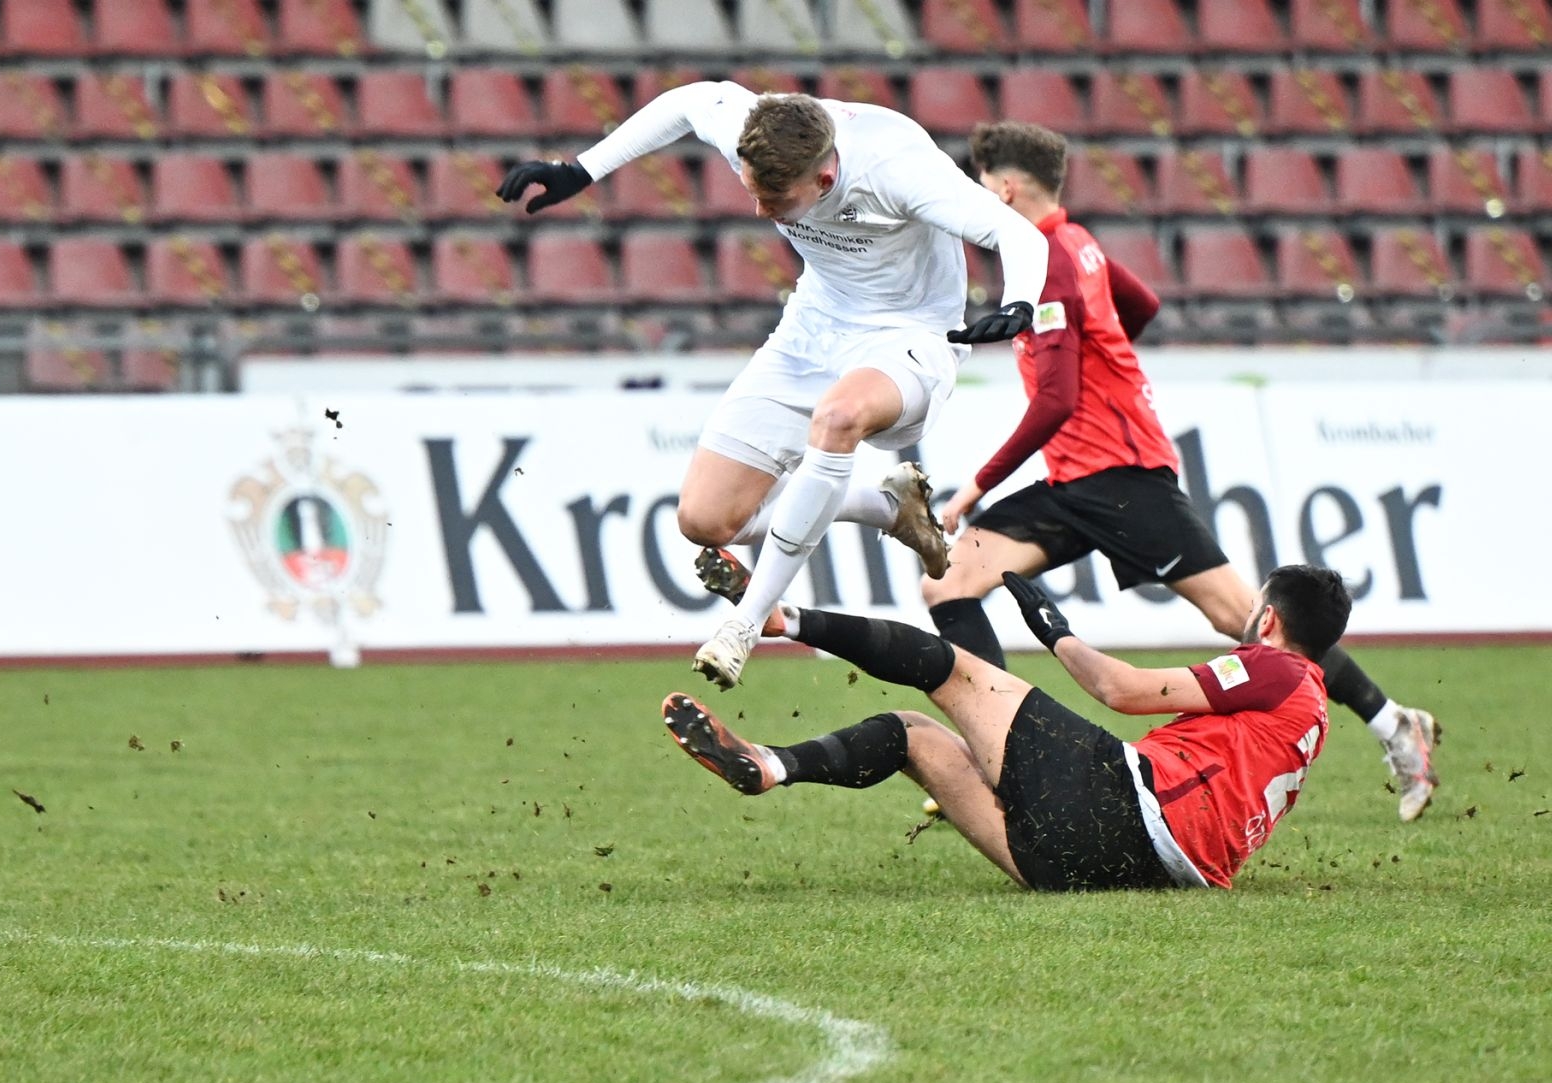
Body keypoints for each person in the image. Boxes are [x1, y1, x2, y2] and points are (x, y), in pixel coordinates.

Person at [920, 121, 1439, 821]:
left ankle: (1394, 723)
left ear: (1007, 188)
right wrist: (1105, 353)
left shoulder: (1052, 262)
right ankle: (1000, 755)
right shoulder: (1077, 244)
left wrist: (976, 487)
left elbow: (1057, 401)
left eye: (985, 184)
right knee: (948, 582)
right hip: (1075, 481)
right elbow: (1142, 305)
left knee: (1246, 621)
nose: (981, 197)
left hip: (1125, 477)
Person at [497, 84, 1048, 691]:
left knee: (838, 419)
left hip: (909, 337)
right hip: (812, 329)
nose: (761, 212)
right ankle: (889, 509)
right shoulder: (757, 130)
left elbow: (1021, 234)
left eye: (776, 199)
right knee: (706, 520)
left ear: (825, 176)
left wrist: (1019, 301)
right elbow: (690, 102)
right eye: (753, 192)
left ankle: (745, 624)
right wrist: (580, 170)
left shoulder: (897, 168)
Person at [661, 564, 1351, 892]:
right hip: (1125, 873)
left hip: (1124, 811)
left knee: (945, 666)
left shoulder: (1274, 667)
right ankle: (771, 764)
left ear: (1268, 620)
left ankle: (783, 619)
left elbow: (1120, 689)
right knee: (912, 735)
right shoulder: (1312, 712)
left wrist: (1055, 632)